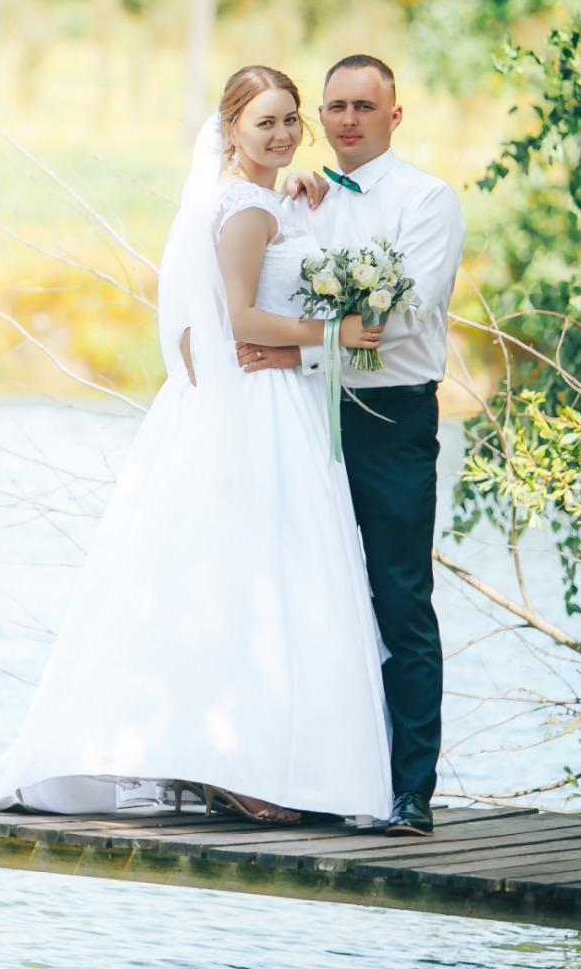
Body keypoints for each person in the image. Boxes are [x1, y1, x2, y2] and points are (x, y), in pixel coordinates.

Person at [0, 66, 394, 826]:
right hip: (258, 405)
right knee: (267, 574)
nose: (284, 135)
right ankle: (247, 771)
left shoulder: (262, 203)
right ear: (231, 135)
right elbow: (240, 320)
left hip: (270, 401)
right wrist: (337, 332)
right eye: (266, 124)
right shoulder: (246, 211)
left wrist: (303, 208)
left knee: (258, 579)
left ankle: (242, 763)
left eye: (292, 121)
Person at [242, 54, 466, 837]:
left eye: (363, 106)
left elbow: (401, 319)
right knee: (316, 595)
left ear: (394, 116)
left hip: (391, 417)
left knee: (399, 600)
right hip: (305, 415)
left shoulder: (428, 202)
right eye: (333, 105)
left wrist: (295, 351)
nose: (346, 120)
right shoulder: (305, 200)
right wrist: (294, 360)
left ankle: (409, 793)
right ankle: (312, 775)